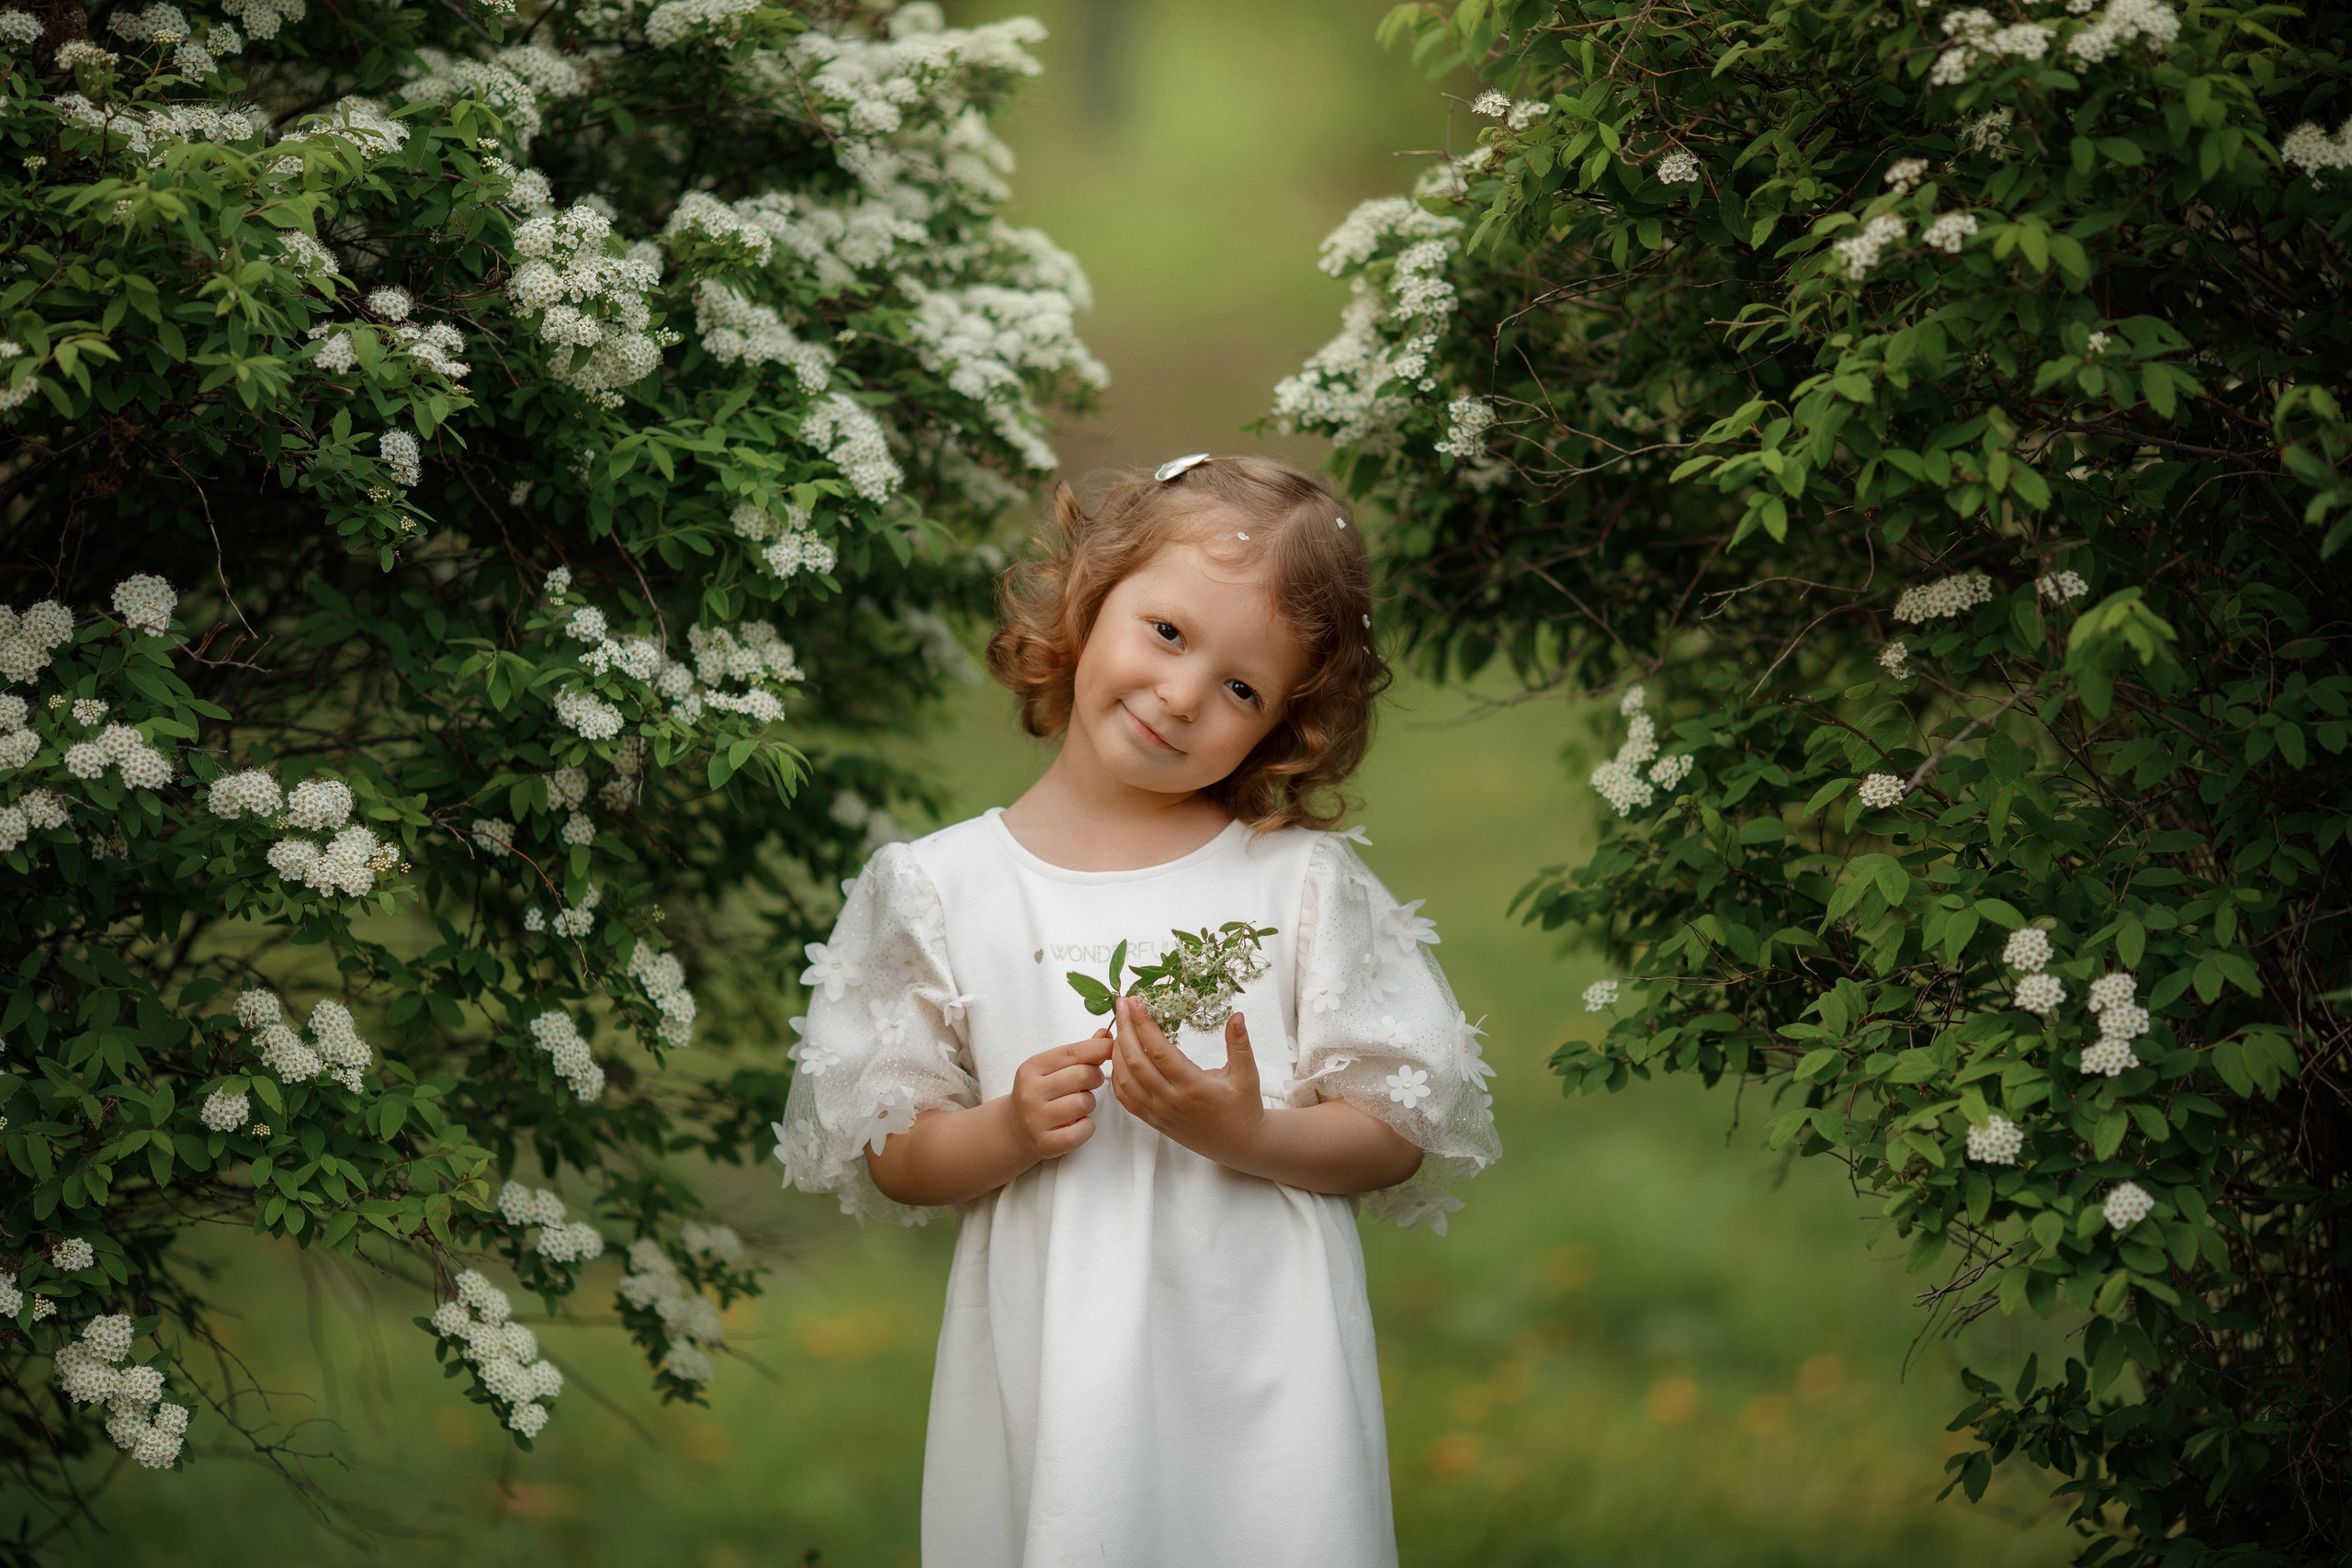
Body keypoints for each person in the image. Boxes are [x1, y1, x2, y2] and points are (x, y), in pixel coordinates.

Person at [772, 452, 1504, 1567]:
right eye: (1166, 633)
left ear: (1283, 727)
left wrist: (1247, 1134)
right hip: (1055, 1355)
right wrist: (1007, 1127)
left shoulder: (1296, 885)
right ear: (1088, 596)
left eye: (1242, 689)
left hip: (1262, 1364)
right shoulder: (942, 889)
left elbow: (1397, 1126)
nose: (1180, 695)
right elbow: (896, 1153)